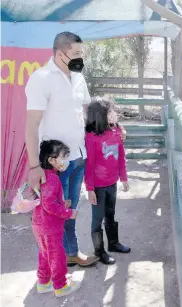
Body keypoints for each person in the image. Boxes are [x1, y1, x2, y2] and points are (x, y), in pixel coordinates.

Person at [25, 32, 100, 267]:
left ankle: (71, 252)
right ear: (60, 54)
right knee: (51, 216)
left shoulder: (78, 77)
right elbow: (31, 125)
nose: (81, 58)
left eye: (82, 53)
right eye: (76, 54)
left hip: (78, 158)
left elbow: (85, 110)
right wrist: (34, 166)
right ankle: (49, 268)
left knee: (70, 211)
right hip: (55, 164)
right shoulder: (41, 78)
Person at [32, 140, 81, 297]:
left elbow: (47, 200)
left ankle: (43, 282)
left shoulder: (44, 175)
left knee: (45, 253)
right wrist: (68, 213)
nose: (66, 161)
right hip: (50, 227)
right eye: (63, 157)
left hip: (39, 224)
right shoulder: (52, 178)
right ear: (52, 160)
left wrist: (62, 203)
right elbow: (49, 206)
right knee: (57, 256)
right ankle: (60, 286)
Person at [85, 98, 131, 265]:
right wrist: (89, 188)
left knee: (110, 214)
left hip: (112, 183)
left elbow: (121, 157)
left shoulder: (116, 132)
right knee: (97, 219)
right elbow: (88, 165)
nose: (115, 114)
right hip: (97, 186)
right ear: (100, 116)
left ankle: (113, 243)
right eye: (110, 112)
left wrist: (123, 177)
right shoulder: (91, 138)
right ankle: (99, 251)